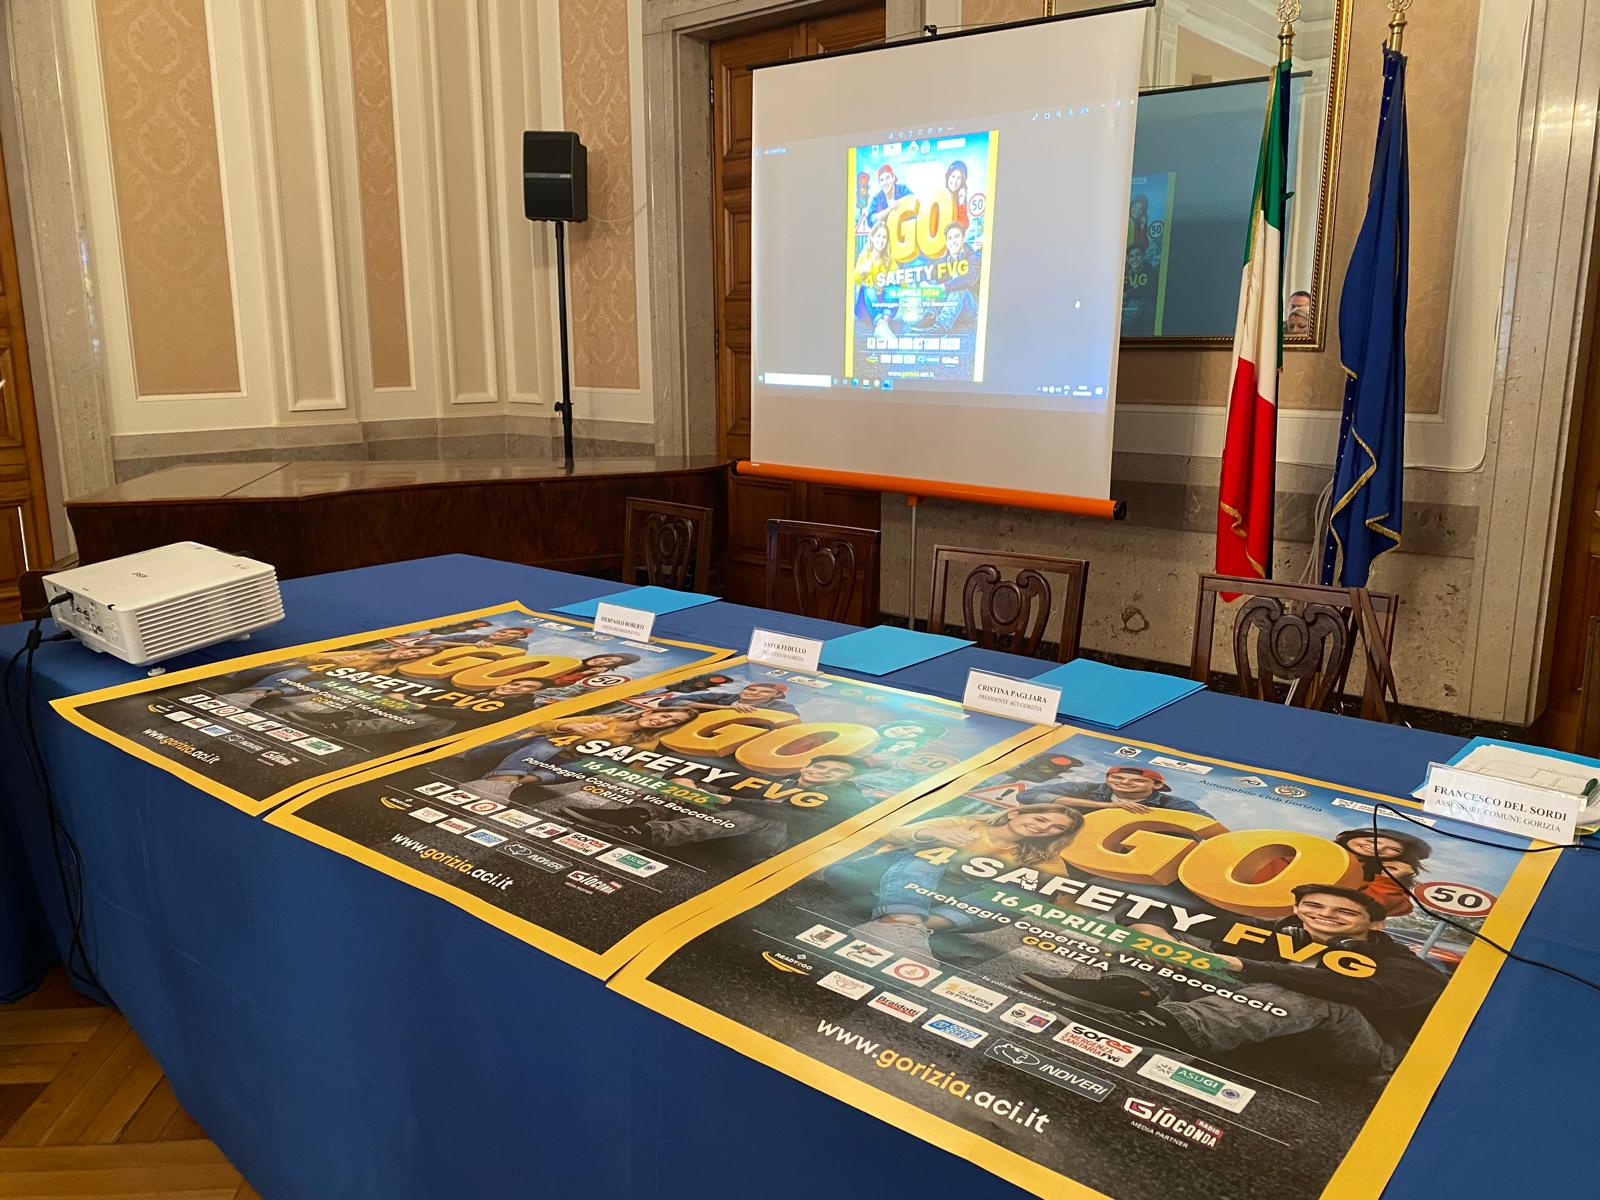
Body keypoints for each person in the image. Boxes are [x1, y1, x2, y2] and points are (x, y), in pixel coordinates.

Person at [1020, 884, 1446, 1078]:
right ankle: (1127, 991)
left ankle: (1173, 1028)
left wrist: (1250, 967)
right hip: (1263, 1017)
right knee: (1180, 937)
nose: (1325, 916)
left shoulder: (1401, 960)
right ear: (1298, 910)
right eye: (1314, 907)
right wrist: (1157, 934)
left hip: (1360, 1049)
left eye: (1344, 913)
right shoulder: (1275, 930)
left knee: (1312, 989)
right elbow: (1157, 910)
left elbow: (1376, 993)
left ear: (1376, 924)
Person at [824, 802, 1086, 958]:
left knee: (1032, 891)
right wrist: (933, 833)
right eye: (1040, 818)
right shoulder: (967, 823)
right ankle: (904, 922)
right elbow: (891, 831)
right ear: (1015, 814)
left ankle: (906, 925)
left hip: (939, 902)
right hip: (880, 880)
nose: (1044, 828)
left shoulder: (1042, 856)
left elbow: (1062, 893)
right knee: (939, 854)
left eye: (1057, 828)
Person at [574, 753, 870, 855]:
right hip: (723, 829)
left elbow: (801, 819)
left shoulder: (846, 797)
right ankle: (634, 814)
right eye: (821, 766)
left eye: (837, 772)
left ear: (847, 779)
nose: (825, 772)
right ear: (806, 766)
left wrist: (729, 799)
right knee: (700, 783)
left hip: (769, 845)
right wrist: (686, 781)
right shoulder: (777, 779)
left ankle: (650, 834)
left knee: (770, 815)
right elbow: (713, 774)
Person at [469, 706, 698, 802]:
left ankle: (508, 782)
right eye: (665, 715)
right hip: (516, 752)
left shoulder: (647, 743)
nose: (663, 720)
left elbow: (635, 768)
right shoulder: (607, 720)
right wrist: (571, 727)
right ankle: (503, 778)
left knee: (602, 764)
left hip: (554, 767)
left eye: (672, 722)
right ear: (650, 711)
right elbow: (540, 724)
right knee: (552, 743)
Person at [1027, 765, 1213, 818]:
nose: (1125, 782)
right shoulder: (1087, 789)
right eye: (1117, 778)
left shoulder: (1175, 804)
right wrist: (1106, 806)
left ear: (1156, 786)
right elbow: (1028, 795)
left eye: (1138, 780)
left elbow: (1206, 824)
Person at [1334, 827, 1432, 917]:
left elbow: (1370, 910)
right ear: (1349, 838)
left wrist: (1387, 880)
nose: (1378, 848)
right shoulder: (1326, 852)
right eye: (1371, 841)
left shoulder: (1384, 873)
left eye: (1394, 849)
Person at [931, 220, 981, 333]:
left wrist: (945, 286)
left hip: (969, 309)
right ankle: (930, 316)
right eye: (950, 238)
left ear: (963, 238)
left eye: (957, 237)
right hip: (950, 306)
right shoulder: (943, 261)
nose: (953, 241)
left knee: (959, 286)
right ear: (946, 242)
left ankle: (942, 325)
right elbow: (935, 281)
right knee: (931, 285)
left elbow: (969, 279)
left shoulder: (974, 257)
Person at [853, 218, 897, 339]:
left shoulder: (889, 260)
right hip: (866, 307)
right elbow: (855, 280)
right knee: (868, 286)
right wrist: (862, 272)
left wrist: (892, 280)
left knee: (895, 283)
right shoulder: (864, 256)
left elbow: (901, 282)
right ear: (872, 237)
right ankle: (879, 322)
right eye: (878, 236)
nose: (881, 240)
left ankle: (883, 324)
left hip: (884, 306)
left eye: (884, 237)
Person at [664, 680, 798, 717]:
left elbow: (789, 726)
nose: (754, 693)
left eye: (765, 692)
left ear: (776, 695)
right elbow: (669, 702)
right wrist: (726, 708)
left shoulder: (784, 708)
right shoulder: (721, 697)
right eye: (751, 689)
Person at [545, 652, 641, 687]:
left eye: (611, 663)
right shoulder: (569, 660)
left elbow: (554, 683)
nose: (603, 661)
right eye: (607, 658)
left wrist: (587, 672)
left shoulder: (581, 676)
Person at [942, 160, 970, 228]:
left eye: (959, 178)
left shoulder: (959, 201)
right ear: (948, 176)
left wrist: (961, 202)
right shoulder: (940, 196)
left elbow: (963, 226)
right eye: (953, 176)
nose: (955, 181)